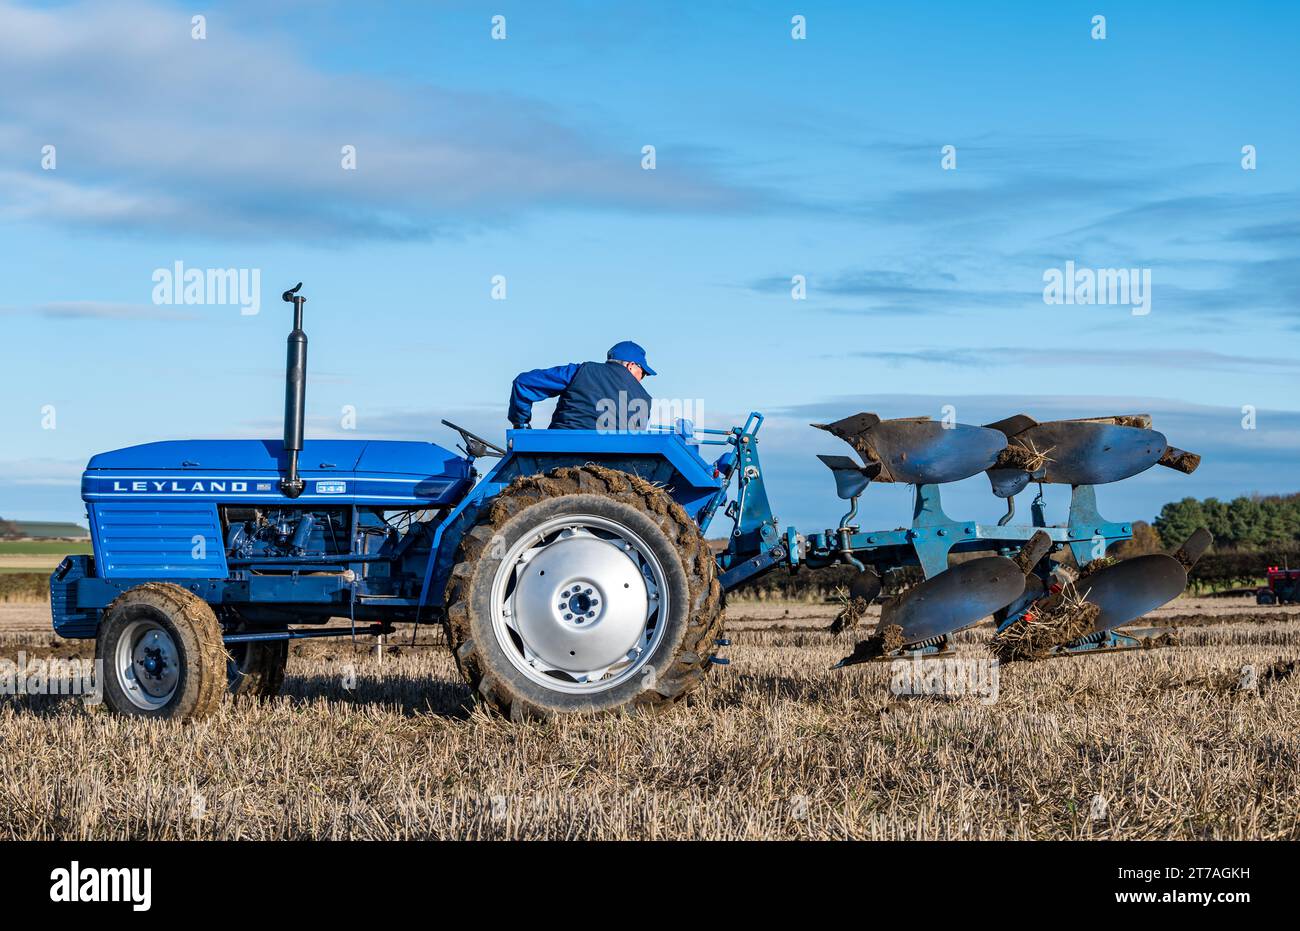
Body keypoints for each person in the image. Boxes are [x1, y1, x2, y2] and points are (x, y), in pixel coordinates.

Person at [508, 341, 656, 431]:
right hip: (615, 467)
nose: (641, 379)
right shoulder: (646, 400)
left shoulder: (582, 371)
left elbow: (524, 383)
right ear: (631, 366)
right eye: (642, 373)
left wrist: (521, 424)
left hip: (557, 454)